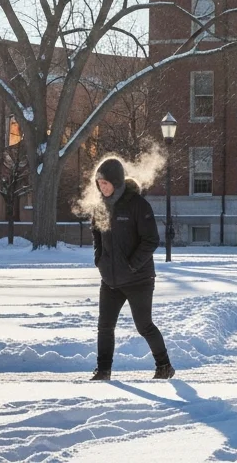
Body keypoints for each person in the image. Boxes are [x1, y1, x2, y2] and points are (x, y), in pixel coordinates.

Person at [90, 158, 172, 381]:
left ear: (116, 182)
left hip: (139, 280)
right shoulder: (99, 207)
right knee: (105, 326)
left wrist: (132, 265)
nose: (101, 187)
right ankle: (103, 371)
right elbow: (96, 234)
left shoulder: (137, 205)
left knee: (144, 325)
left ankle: (164, 366)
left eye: (105, 183)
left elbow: (151, 240)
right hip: (110, 280)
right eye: (99, 183)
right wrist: (100, 260)